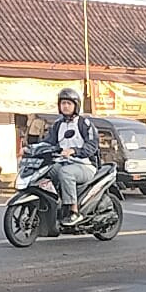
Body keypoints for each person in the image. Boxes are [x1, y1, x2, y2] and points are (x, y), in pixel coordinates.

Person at [44, 88, 100, 227]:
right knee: (45, 170)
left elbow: (92, 145)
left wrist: (74, 151)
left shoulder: (84, 124)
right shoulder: (57, 125)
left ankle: (74, 211)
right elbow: (48, 143)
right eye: (63, 103)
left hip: (84, 165)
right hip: (63, 163)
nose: (65, 106)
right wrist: (30, 149)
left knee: (66, 172)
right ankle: (53, 205)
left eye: (69, 103)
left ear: (76, 105)